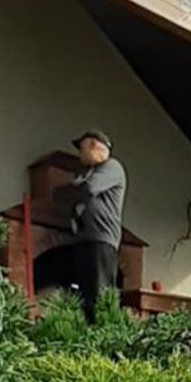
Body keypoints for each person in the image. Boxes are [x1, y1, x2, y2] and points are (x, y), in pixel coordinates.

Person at [32, 130, 127, 320]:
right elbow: (61, 195)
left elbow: (89, 189)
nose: (80, 155)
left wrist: (73, 188)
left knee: (99, 294)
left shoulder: (111, 167)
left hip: (100, 239)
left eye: (82, 149)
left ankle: (103, 333)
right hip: (83, 240)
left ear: (93, 146)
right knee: (80, 288)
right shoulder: (88, 173)